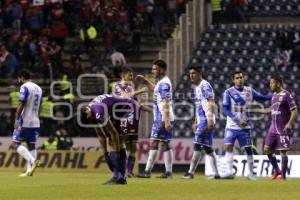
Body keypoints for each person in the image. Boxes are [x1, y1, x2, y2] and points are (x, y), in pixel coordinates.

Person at [79, 94, 141, 185]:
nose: (91, 122)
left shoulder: (97, 111)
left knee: (116, 141)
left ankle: (119, 177)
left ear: (86, 112)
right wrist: (106, 154)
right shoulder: (92, 112)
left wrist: (116, 154)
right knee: (113, 142)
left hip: (130, 108)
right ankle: (118, 177)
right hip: (120, 111)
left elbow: (113, 134)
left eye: (89, 120)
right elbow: (101, 135)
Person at [222, 71, 271, 180]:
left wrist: (277, 94)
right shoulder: (228, 92)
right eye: (237, 78)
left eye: (241, 77)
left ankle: (251, 173)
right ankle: (229, 172)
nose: (239, 79)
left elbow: (263, 97)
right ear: (233, 80)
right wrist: (237, 120)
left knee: (248, 149)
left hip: (245, 126)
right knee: (228, 147)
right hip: (231, 125)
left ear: (243, 78)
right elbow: (225, 109)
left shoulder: (249, 90)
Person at [136, 59, 174, 179]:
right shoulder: (161, 82)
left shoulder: (164, 84)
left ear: (162, 70)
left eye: (155, 69)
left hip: (162, 117)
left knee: (154, 142)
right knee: (165, 144)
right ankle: (168, 173)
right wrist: (146, 81)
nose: (153, 71)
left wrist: (166, 120)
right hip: (164, 117)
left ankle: (147, 171)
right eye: (152, 69)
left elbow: (166, 102)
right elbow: (155, 90)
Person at [255, 74, 298, 180]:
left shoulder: (286, 94)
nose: (270, 84)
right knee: (267, 149)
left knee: (283, 151)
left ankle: (283, 176)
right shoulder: (273, 95)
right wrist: (256, 110)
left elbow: (294, 110)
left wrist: (289, 123)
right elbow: (271, 110)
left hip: (283, 128)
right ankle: (277, 170)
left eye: (272, 83)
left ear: (278, 83)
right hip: (272, 129)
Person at [182, 66, 220, 179]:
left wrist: (210, 119)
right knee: (207, 147)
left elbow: (211, 102)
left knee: (197, 143)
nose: (191, 75)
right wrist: (195, 122)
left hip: (206, 119)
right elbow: (198, 106)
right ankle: (216, 174)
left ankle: (190, 173)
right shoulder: (197, 87)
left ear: (200, 73)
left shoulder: (204, 85)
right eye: (190, 74)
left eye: (194, 73)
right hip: (201, 120)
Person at [113, 67, 148, 177]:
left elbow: (135, 102)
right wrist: (141, 90)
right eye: (130, 75)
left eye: (132, 76)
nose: (132, 78)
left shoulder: (130, 88)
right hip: (123, 119)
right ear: (123, 76)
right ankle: (118, 171)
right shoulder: (117, 87)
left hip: (134, 120)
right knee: (121, 144)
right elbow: (126, 97)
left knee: (133, 146)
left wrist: (148, 109)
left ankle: (130, 172)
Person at [11, 69, 42, 177]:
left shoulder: (25, 87)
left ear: (22, 77)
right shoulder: (38, 88)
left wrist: (16, 119)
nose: (18, 80)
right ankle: (29, 170)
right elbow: (40, 106)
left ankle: (33, 161)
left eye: (19, 78)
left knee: (15, 143)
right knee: (31, 144)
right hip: (36, 121)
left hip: (25, 121)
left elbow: (21, 103)